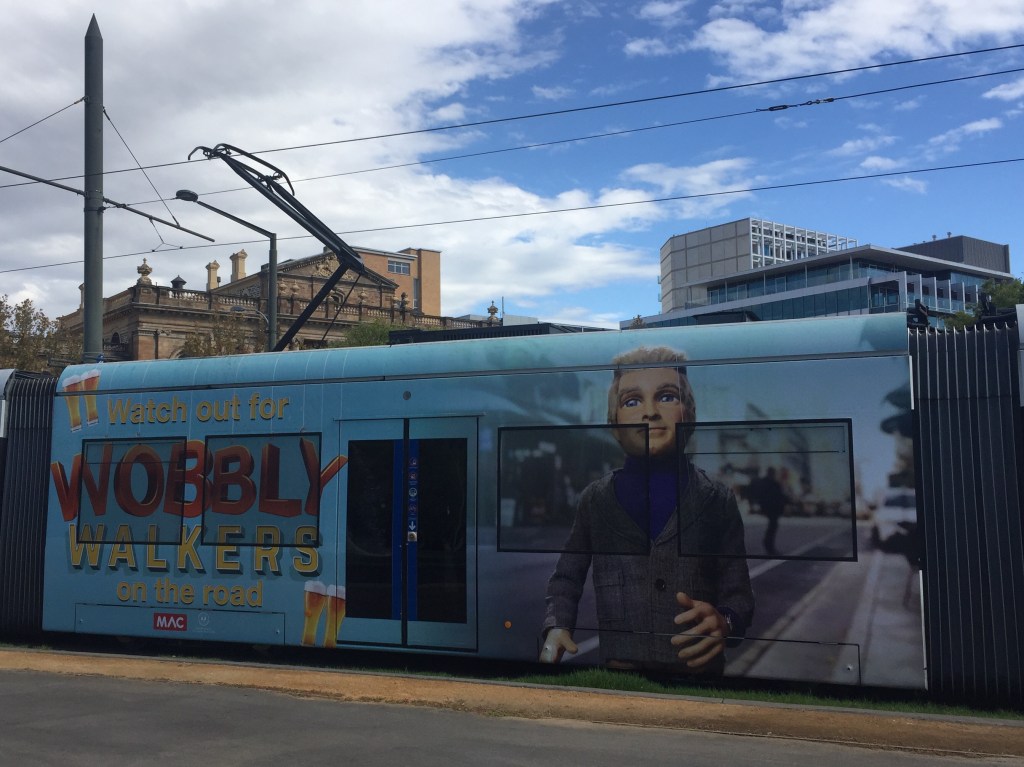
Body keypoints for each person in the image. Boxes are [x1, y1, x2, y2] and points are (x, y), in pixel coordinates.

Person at [540, 347, 754, 673]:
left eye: (667, 397)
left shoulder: (717, 499)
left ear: (689, 414)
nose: (650, 412)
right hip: (619, 675)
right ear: (614, 423)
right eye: (631, 401)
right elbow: (566, 578)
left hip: (698, 677)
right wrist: (557, 624)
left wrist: (725, 620)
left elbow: (739, 593)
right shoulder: (595, 500)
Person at [749, 467, 788, 556]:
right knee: (773, 526)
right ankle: (769, 545)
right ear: (773, 473)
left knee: (773, 525)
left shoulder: (763, 482)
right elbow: (779, 495)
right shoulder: (773, 483)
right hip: (772, 508)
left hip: (767, 507)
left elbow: (757, 493)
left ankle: (768, 544)